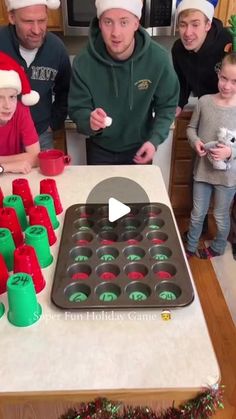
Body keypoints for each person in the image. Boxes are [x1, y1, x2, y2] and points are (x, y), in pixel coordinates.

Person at [68, 0, 179, 165]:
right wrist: (89, 121)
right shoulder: (83, 62)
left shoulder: (158, 59)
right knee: (101, 192)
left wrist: (154, 141)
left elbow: (167, 106)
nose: (115, 33)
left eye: (124, 22)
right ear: (99, 23)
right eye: (108, 22)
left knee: (137, 192)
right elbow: (78, 109)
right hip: (99, 150)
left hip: (140, 148)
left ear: (136, 23)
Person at [0, 0, 71, 150]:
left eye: (42, 20)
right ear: (12, 17)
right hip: (2, 136)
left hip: (41, 135)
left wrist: (53, 124)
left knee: (44, 174)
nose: (37, 30)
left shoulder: (56, 49)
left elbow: (65, 92)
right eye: (28, 21)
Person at [185, 52, 236, 259]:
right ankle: (189, 247)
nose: (227, 86)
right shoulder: (204, 102)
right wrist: (195, 141)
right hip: (203, 172)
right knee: (197, 213)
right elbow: (190, 128)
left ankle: (218, 246)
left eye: (234, 82)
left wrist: (230, 152)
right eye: (224, 78)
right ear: (218, 74)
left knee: (221, 216)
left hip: (227, 177)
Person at [172, 0, 232, 117]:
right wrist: (178, 104)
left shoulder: (229, 43)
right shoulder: (178, 49)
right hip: (205, 110)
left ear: (207, 25)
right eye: (183, 25)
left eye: (195, 24)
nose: (188, 33)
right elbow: (182, 82)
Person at [0, 51, 40, 174]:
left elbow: (35, 157)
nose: (7, 105)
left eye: (12, 97)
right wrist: (6, 167)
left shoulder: (21, 110)